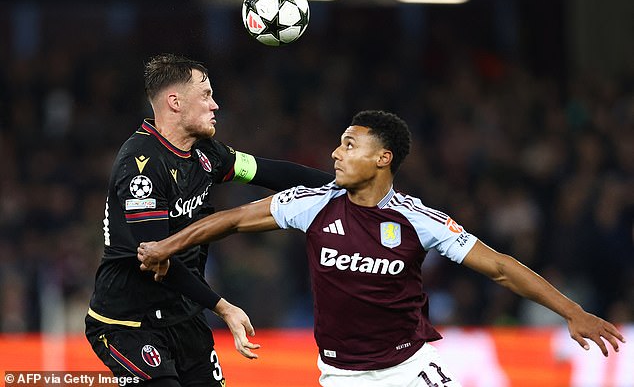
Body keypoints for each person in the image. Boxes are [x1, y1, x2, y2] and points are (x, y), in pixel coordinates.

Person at [137, 109, 626, 387]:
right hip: (340, 375)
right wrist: (165, 245)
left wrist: (571, 310)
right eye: (339, 144)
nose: (335, 153)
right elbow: (230, 220)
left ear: (383, 158)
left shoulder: (418, 219)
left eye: (350, 145)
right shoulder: (312, 205)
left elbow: (498, 267)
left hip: (410, 369)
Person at [85, 53, 332, 387]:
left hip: (184, 317)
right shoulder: (140, 165)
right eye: (206, 95)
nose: (215, 105)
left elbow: (269, 171)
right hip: (128, 322)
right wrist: (223, 307)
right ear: (174, 102)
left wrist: (343, 187)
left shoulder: (207, 153)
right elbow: (159, 260)